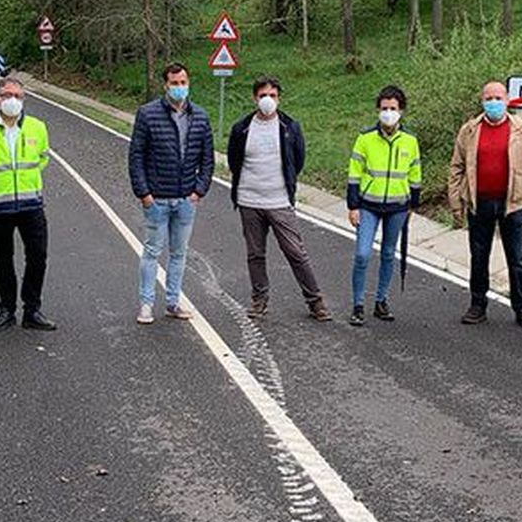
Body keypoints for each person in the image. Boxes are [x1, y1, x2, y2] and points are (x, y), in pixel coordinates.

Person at [227, 76, 331, 322]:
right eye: (263, 95)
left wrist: (285, 184)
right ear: (255, 98)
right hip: (249, 200)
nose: (268, 100)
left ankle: (315, 301)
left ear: (279, 99)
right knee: (255, 254)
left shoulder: (290, 127)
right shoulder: (241, 128)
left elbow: (298, 160)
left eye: (272, 96)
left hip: (280, 201)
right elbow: (234, 161)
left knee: (295, 251)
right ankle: (259, 299)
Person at [0, 75, 56, 332]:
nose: (12, 100)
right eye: (7, 95)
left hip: (32, 205)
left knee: (38, 256)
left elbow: (42, 159)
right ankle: (6, 310)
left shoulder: (37, 127)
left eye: (17, 96)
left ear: (23, 99)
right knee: (3, 259)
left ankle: (32, 310)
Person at [449, 81, 522, 328]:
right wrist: (456, 201)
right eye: (488, 98)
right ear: (482, 101)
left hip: (513, 204)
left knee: (517, 259)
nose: (493, 103)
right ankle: (477, 305)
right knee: (479, 256)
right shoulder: (469, 130)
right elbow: (456, 167)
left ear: (507, 100)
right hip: (479, 204)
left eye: (498, 98)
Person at [128, 63, 215, 324]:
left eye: (183, 82)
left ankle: (173, 302)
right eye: (175, 83)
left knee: (179, 254)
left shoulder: (200, 116)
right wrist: (144, 193)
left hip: (186, 199)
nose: (180, 87)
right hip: (157, 198)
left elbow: (207, 158)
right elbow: (136, 156)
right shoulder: (148, 114)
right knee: (152, 251)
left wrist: (199, 190)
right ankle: (146, 304)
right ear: (165, 85)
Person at [345, 85, 422, 327]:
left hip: (398, 207)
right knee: (362, 254)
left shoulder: (410, 141)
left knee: (389, 254)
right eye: (384, 108)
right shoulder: (365, 139)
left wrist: (413, 203)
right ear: (378, 110)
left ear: (401, 111)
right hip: (368, 205)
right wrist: (353, 205)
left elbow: (415, 173)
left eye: (393, 108)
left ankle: (381, 301)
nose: (388, 113)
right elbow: (354, 174)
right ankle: (358, 304)